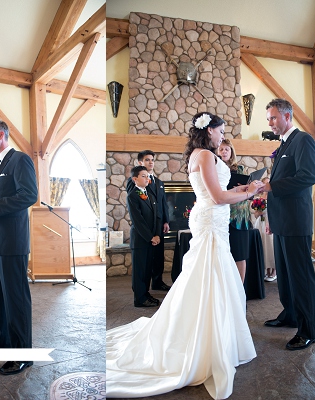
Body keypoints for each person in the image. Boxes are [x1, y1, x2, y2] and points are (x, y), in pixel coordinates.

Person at [106, 112, 263, 399]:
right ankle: (202, 340)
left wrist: (243, 189)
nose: (222, 136)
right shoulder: (204, 155)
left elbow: (219, 191)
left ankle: (215, 334)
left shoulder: (202, 155)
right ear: (209, 130)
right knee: (207, 275)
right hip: (211, 220)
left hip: (213, 220)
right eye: (220, 131)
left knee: (211, 275)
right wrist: (248, 192)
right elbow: (217, 197)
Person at [0, 119, 38, 376]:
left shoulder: (20, 160)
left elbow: (29, 195)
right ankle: (4, 339)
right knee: (0, 296)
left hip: (12, 241)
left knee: (15, 298)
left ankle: (23, 354)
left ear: (1, 135)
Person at [260, 98, 315, 351]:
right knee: (284, 275)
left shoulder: (303, 140)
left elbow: (308, 176)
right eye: (268, 119)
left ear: (287, 116)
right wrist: (271, 219)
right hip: (282, 220)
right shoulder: (284, 143)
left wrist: (271, 186)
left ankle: (308, 331)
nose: (270, 123)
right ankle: (291, 314)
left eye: (273, 118)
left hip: (296, 221)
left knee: (300, 277)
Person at [126, 150, 171, 291]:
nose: (150, 162)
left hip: (159, 225)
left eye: (152, 160)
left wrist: (166, 221)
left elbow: (163, 203)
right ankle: (142, 291)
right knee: (145, 261)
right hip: (147, 226)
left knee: (158, 256)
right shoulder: (135, 181)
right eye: (147, 160)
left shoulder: (159, 182)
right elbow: (135, 201)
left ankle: (157, 282)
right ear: (140, 162)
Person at [126, 165, 163, 307]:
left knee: (147, 269)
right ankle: (139, 299)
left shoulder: (150, 194)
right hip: (141, 240)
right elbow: (138, 221)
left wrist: (157, 235)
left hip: (152, 238)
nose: (147, 178)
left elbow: (157, 216)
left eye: (147, 176)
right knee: (140, 271)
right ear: (135, 179)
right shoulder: (132, 196)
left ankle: (146, 294)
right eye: (143, 176)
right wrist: (150, 237)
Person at [218, 138, 253, 282]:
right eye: (221, 149)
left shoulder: (240, 170)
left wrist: (245, 189)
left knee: (240, 255)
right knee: (222, 256)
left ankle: (240, 288)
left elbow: (249, 194)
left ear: (231, 152)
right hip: (221, 217)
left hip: (239, 218)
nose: (224, 152)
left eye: (227, 149)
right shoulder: (214, 168)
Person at [251, 178, 276, 282]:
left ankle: (274, 271)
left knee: (271, 246)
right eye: (265, 182)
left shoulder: (274, 197)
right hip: (260, 223)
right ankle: (266, 270)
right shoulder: (259, 199)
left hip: (270, 222)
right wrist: (259, 212)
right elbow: (256, 215)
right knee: (263, 246)